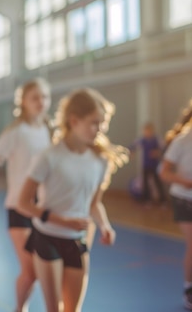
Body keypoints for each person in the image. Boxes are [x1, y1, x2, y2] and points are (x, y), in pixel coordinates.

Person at [17, 88, 128, 312]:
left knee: (72, 309)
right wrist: (61, 221)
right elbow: (23, 203)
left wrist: (105, 226)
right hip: (47, 237)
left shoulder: (100, 161)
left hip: (76, 240)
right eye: (95, 122)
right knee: (54, 308)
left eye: (103, 123)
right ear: (74, 120)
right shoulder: (48, 157)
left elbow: (94, 203)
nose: (101, 129)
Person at [0, 77, 53, 312]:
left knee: (41, 273)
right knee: (31, 271)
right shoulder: (15, 132)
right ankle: (19, 309)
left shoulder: (49, 130)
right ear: (23, 102)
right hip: (19, 208)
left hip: (43, 207)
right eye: (35, 97)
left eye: (44, 97)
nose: (41, 102)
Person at [160, 98, 192, 310]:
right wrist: (186, 182)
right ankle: (189, 289)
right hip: (184, 199)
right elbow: (164, 172)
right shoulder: (182, 141)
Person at [129, 122, 167, 205]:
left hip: (155, 165)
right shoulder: (142, 140)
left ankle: (163, 200)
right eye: (146, 131)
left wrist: (157, 153)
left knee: (158, 182)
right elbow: (132, 147)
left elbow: (164, 149)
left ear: (152, 131)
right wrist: (131, 154)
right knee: (145, 183)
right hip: (145, 165)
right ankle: (147, 200)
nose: (147, 132)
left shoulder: (157, 139)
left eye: (149, 130)